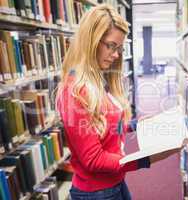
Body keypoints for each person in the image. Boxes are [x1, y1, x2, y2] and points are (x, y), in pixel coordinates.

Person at [55, 4, 179, 200]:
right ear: (91, 40)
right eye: (111, 46)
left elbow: (105, 125)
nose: (116, 55)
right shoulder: (75, 91)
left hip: (115, 182)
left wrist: (139, 125)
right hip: (96, 193)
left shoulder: (98, 80)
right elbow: (94, 160)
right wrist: (146, 159)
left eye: (119, 48)